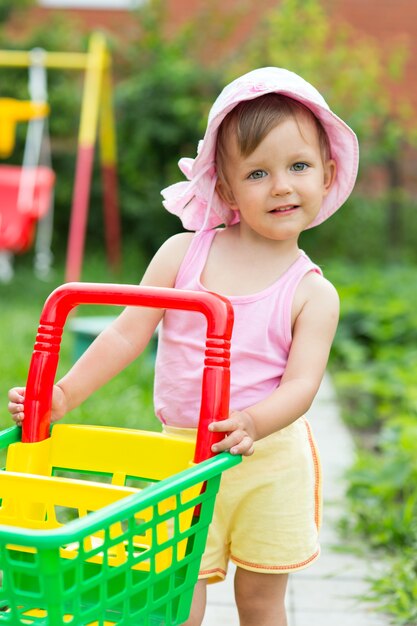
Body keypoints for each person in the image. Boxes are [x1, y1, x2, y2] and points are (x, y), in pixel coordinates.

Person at [8, 67, 359, 626]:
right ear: (225, 187)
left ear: (327, 173)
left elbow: (302, 384)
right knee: (175, 593)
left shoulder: (313, 293)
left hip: (267, 461)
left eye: (299, 166)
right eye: (258, 172)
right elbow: (126, 332)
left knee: (262, 601)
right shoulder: (182, 254)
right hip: (180, 456)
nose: (282, 186)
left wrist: (253, 420)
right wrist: (65, 393)